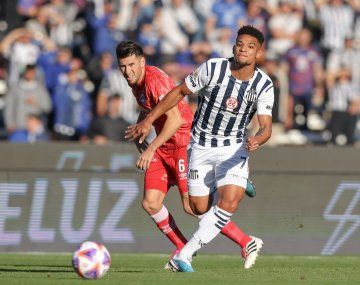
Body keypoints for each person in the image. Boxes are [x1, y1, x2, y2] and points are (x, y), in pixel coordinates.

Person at [126, 26, 274, 272]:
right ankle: (225, 184)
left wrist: (258, 139)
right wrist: (149, 120)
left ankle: (184, 254)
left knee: (229, 202)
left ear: (259, 53)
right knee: (197, 208)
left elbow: (266, 127)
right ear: (234, 46)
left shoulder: (264, 84)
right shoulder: (213, 68)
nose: (243, 49)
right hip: (201, 145)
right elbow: (180, 92)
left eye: (250, 47)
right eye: (240, 44)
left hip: (233, 148)